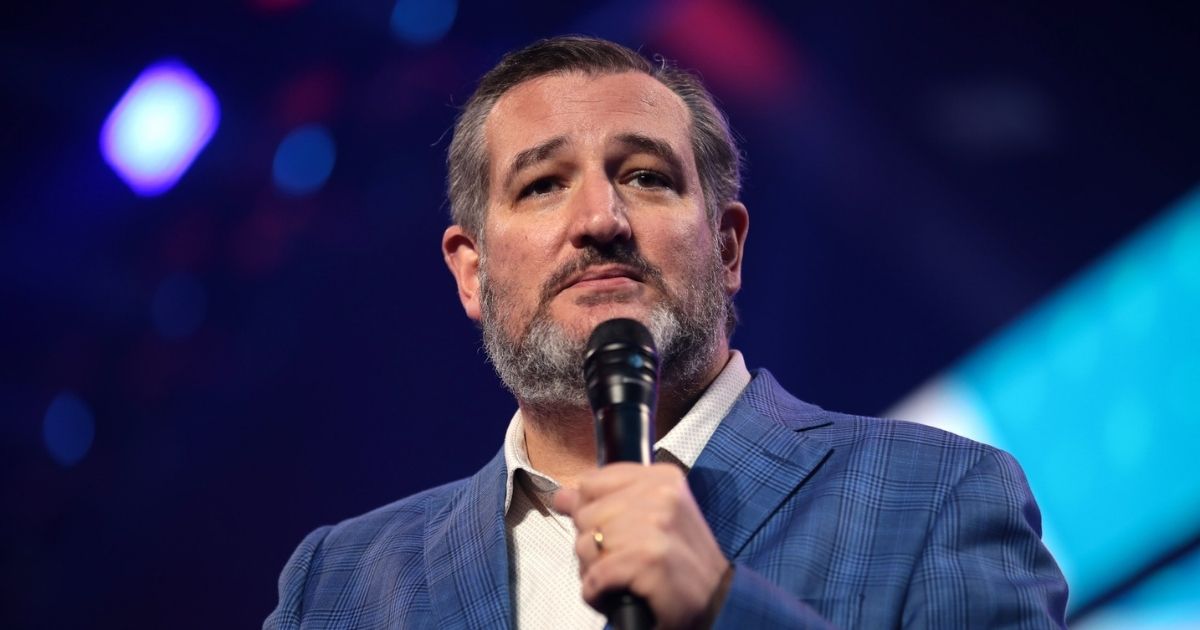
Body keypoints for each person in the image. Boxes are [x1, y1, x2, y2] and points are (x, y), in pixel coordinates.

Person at [265, 36, 1068, 629]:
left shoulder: (935, 495)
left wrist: (726, 611)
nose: (600, 220)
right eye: (542, 186)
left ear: (726, 246)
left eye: (645, 176)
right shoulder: (340, 586)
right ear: (471, 272)